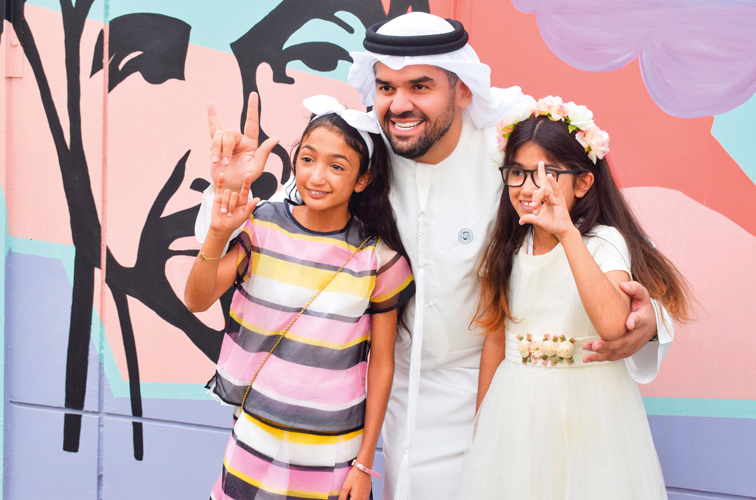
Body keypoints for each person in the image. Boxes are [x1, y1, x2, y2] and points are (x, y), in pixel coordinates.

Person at [197, 13, 674, 500]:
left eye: (419, 86)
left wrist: (650, 321)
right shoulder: (363, 153)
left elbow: (605, 241)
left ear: (462, 89)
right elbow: (274, 224)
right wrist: (226, 191)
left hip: (487, 396)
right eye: (386, 88)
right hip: (380, 398)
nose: (399, 104)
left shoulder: (509, 151)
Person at [460, 97, 694, 499]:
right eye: (517, 172)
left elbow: (612, 324)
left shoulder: (603, 242)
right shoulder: (507, 248)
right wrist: (483, 424)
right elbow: (495, 341)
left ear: (583, 183)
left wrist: (568, 234)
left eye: (547, 174)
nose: (529, 187)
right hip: (516, 407)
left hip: (590, 408)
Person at [185, 95, 415, 500]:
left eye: (337, 166)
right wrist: (218, 233)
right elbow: (196, 300)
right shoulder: (262, 226)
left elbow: (382, 362)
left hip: (334, 454)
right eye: (307, 159)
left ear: (362, 180)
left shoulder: (379, 258)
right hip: (254, 439)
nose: (317, 176)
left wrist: (364, 462)